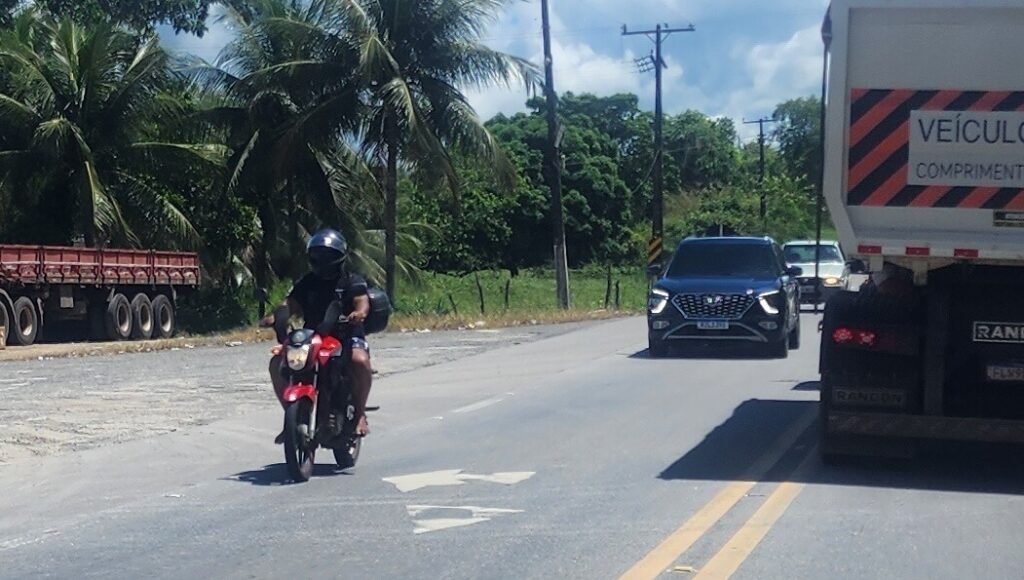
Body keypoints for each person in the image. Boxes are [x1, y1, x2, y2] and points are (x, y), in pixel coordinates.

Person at [261, 229, 374, 443]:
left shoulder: (351, 280)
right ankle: (291, 420)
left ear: (339, 257)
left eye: (327, 256)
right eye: (318, 255)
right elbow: (290, 303)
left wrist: (358, 314)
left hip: (346, 335)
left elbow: (362, 301)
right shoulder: (307, 282)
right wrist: (275, 317)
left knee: (359, 361)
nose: (322, 260)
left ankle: (359, 415)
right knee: (277, 363)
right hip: (313, 336)